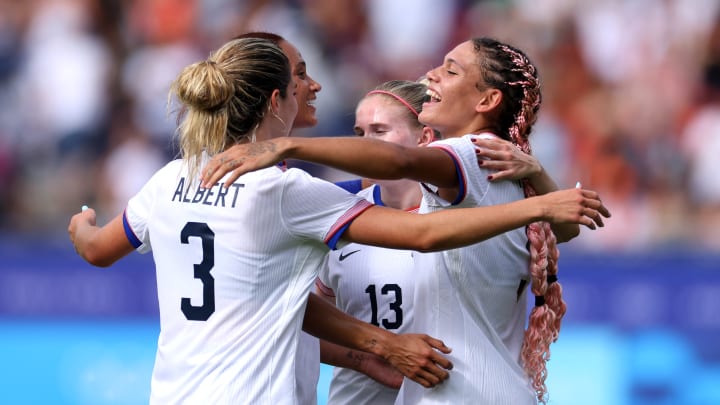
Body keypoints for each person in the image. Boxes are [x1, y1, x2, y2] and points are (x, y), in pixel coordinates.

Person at [199, 37, 608, 404]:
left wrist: (284, 145)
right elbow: (563, 227)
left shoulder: (471, 153)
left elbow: (399, 164)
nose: (431, 72)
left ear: (486, 102)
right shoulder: (507, 167)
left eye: (451, 70)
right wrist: (540, 182)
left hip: (458, 392)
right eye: (361, 131)